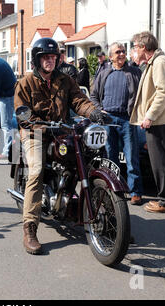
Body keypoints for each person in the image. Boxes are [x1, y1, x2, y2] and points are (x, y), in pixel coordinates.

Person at [14, 37, 109, 255]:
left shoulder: (65, 80)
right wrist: (33, 123)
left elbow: (78, 100)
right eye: (46, 57)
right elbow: (22, 112)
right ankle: (30, 228)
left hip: (61, 131)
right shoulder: (25, 83)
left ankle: (111, 219)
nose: (50, 60)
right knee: (36, 171)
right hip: (35, 133)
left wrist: (93, 112)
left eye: (53, 57)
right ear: (37, 60)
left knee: (88, 160)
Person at [130, 31, 165, 213]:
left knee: (161, 163)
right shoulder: (156, 61)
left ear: (143, 47)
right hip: (161, 121)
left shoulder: (159, 62)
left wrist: (149, 116)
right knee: (161, 162)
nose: (133, 50)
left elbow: (163, 93)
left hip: (159, 122)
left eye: (135, 47)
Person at [90, 42, 144, 205]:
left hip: (127, 120)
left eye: (123, 51)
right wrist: (100, 110)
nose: (121, 54)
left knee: (131, 156)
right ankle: (112, 189)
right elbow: (93, 97)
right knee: (109, 156)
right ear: (111, 56)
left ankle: (135, 192)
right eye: (118, 52)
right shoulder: (104, 72)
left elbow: (142, 95)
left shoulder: (134, 72)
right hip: (107, 120)